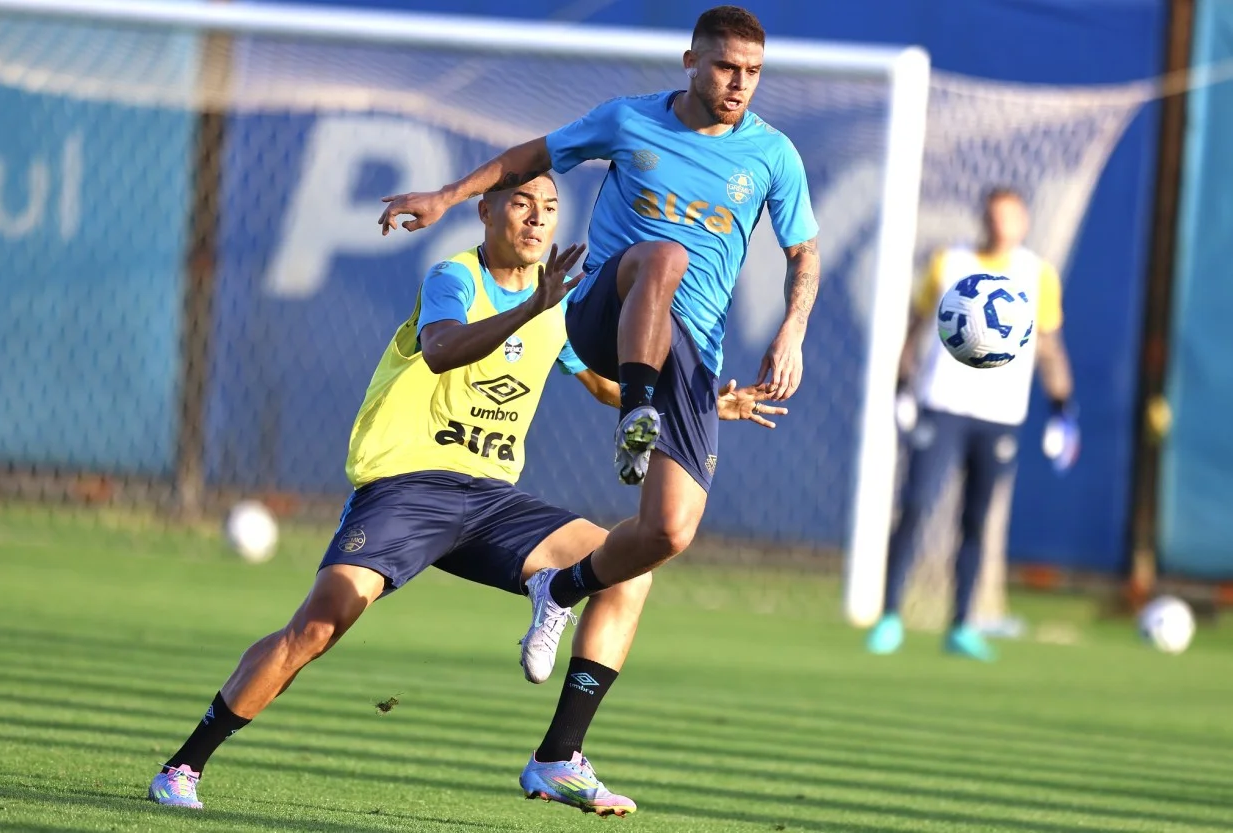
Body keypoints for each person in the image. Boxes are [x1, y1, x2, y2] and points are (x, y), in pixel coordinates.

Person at [147, 173, 785, 817]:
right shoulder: (454, 277)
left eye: (550, 209)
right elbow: (442, 349)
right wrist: (530, 309)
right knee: (316, 627)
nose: (537, 220)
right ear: (485, 212)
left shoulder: (558, 303)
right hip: (405, 489)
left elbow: (602, 385)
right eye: (521, 204)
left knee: (629, 568)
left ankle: (558, 758)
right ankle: (184, 766)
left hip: (488, 502)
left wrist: (706, 404)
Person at [378, 5, 820, 683]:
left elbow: (803, 253)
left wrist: (793, 327)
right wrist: (445, 195)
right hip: (601, 312)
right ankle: (636, 416)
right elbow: (527, 158)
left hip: (690, 352)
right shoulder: (629, 120)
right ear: (692, 62)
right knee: (664, 256)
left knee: (665, 534)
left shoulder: (772, 155)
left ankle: (559, 621)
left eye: (753, 72)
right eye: (727, 66)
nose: (739, 83)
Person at [867, 186, 1079, 662]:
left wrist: (1063, 408)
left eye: (1010, 218)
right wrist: (901, 387)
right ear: (983, 218)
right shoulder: (950, 262)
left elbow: (1048, 345)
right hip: (941, 406)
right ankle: (889, 615)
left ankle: (961, 623)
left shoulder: (1037, 275)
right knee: (917, 505)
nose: (1000, 225)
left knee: (978, 520)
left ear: (1023, 223)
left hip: (999, 417)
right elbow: (917, 325)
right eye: (993, 216)